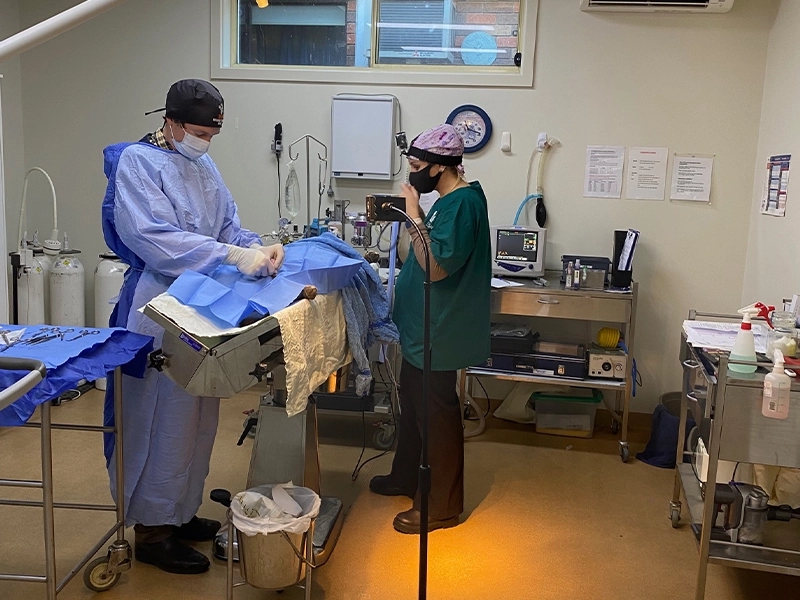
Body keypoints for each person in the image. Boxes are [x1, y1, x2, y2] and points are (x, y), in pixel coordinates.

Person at [101, 79, 285, 574]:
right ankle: (152, 531)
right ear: (173, 121)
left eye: (212, 133)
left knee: (199, 417)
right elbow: (156, 239)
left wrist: (257, 246)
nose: (205, 141)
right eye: (199, 131)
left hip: (201, 305)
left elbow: (226, 225)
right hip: (160, 306)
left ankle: (180, 514)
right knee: (163, 421)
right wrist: (231, 254)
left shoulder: (202, 164)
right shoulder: (138, 164)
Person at [370, 124, 491, 534]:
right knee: (414, 409)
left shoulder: (462, 205)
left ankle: (441, 506)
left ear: (441, 167)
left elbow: (436, 267)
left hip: (440, 331)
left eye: (419, 166)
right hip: (422, 329)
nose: (413, 173)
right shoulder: (446, 200)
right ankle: (407, 476)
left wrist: (414, 214)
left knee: (436, 418)